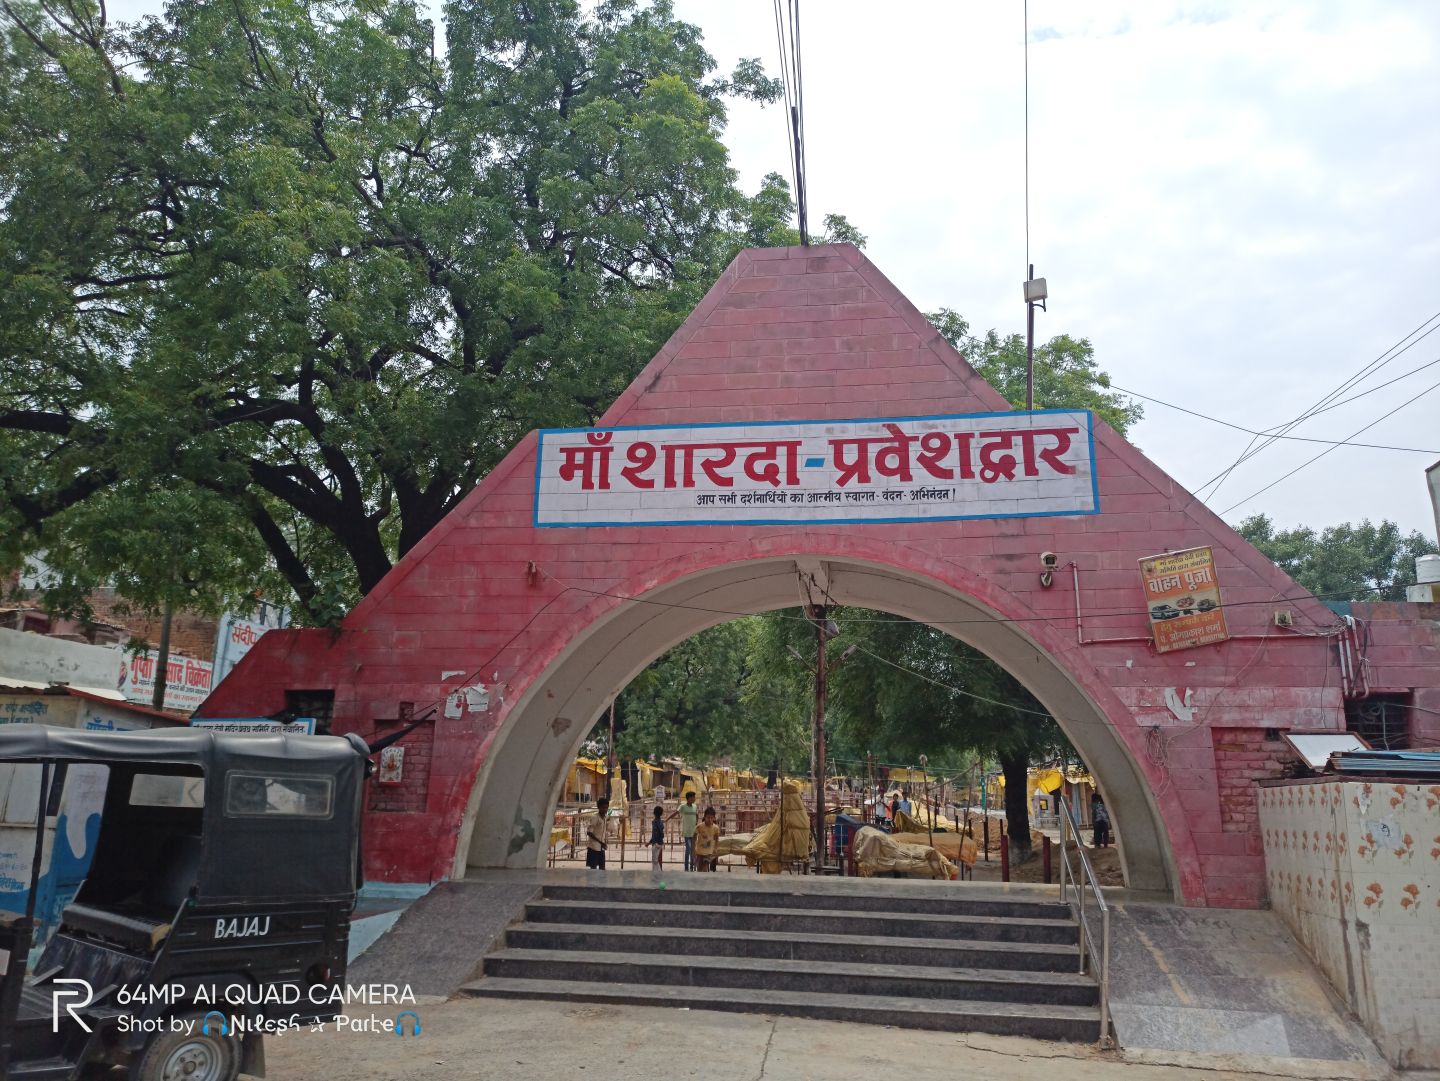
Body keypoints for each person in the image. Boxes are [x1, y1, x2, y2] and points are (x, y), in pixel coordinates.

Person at [668, 790, 699, 870]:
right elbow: (676, 813)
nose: (694, 799)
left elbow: (697, 815)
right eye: (693, 797)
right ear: (689, 798)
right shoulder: (683, 806)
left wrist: (697, 825)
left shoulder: (695, 806)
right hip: (686, 831)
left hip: (693, 832)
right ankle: (686, 866)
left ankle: (692, 865)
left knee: (693, 850)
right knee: (688, 848)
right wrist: (667, 819)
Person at [694, 807, 721, 871]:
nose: (710, 819)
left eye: (712, 818)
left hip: (709, 853)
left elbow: (716, 839)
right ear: (704, 817)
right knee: (699, 870)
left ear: (714, 818)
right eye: (708, 817)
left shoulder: (716, 828)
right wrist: (694, 849)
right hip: (700, 852)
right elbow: (694, 837)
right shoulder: (699, 827)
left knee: (705, 868)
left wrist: (716, 849)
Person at [585, 797, 609, 870]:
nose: (605, 810)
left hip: (601, 847)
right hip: (593, 847)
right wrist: (601, 842)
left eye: (606, 808)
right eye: (603, 808)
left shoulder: (605, 817)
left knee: (602, 868)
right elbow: (589, 832)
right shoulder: (595, 817)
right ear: (599, 807)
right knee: (593, 868)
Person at [647, 804, 665, 870]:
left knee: (654, 860)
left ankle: (656, 874)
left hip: (656, 843)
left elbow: (655, 833)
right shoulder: (661, 822)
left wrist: (655, 842)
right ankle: (657, 873)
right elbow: (660, 834)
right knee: (655, 860)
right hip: (659, 842)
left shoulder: (655, 822)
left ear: (654, 813)